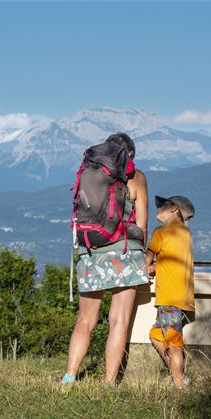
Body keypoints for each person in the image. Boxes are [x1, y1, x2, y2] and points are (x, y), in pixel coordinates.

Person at [61, 133, 149, 384]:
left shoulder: (93, 170)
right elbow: (141, 225)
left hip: (91, 250)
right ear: (130, 154)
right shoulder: (137, 177)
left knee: (85, 319)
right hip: (125, 252)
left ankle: (70, 376)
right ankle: (109, 382)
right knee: (118, 320)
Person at [145, 195, 195, 386]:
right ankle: (177, 374)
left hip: (169, 297)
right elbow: (171, 261)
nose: (158, 207)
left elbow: (145, 262)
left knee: (173, 343)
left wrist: (148, 267)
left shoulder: (161, 232)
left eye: (162, 204)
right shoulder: (185, 233)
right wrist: (156, 267)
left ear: (174, 208)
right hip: (183, 296)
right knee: (156, 335)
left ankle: (179, 382)